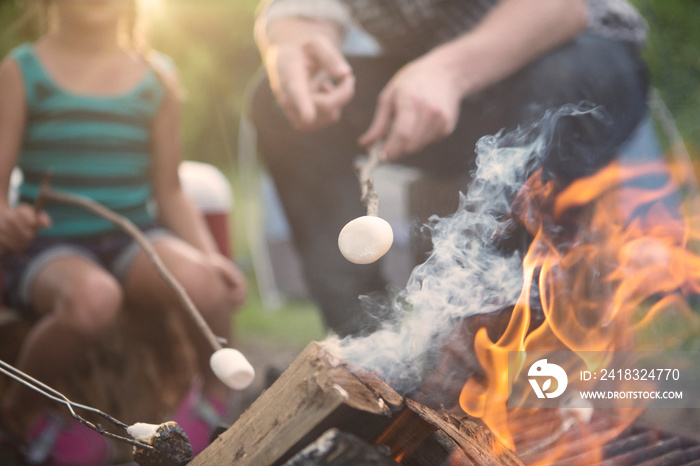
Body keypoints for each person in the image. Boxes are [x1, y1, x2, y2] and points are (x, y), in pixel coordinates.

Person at [250, 0, 650, 337]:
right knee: (274, 104)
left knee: (553, 83)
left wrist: (447, 71)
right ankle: (366, 344)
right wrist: (294, 43)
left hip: (578, 66)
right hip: (448, 95)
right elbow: (301, 10)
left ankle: (502, 348)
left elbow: (559, 7)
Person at [0, 0, 247, 462]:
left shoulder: (157, 77)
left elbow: (170, 190)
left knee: (205, 282)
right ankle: (21, 417)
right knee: (93, 300)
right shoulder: (21, 71)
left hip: (134, 239)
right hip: (52, 245)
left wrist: (211, 256)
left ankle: (213, 401)